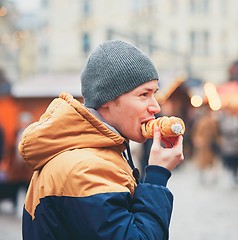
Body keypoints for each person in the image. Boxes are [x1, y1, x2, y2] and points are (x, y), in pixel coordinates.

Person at [20, 40, 184, 240]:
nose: (155, 107)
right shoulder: (85, 169)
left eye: (154, 94)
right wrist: (158, 175)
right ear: (107, 99)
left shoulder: (98, 154)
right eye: (143, 95)